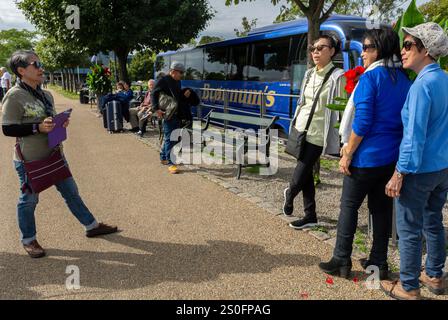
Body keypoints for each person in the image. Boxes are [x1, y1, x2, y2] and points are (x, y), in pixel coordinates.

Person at [1, 50, 118, 259]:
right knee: (29, 200)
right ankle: (28, 239)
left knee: (71, 192)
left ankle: (91, 226)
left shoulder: (45, 94)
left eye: (40, 63)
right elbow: (8, 129)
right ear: (21, 70)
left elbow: (50, 121)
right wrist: (38, 128)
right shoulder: (14, 95)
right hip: (30, 159)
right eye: (35, 64)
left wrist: (59, 124)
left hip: (55, 154)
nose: (40, 68)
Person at [318, 29, 412, 280]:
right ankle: (378, 263)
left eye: (367, 47)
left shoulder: (371, 79)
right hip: (390, 159)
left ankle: (341, 259)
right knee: (381, 211)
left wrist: (347, 152)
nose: (363, 52)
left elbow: (362, 122)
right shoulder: (405, 80)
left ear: (379, 49)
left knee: (349, 207)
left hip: (365, 158)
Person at [381, 22, 448, 300]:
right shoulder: (444, 79)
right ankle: (434, 274)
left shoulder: (422, 85)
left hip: (419, 170)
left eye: (409, 44)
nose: (402, 50)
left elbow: (414, 136)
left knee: (409, 228)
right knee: (433, 221)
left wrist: (400, 172)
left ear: (427, 49)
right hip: (442, 168)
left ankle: (408, 286)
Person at [283, 35, 346, 229]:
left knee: (302, 170)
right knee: (307, 173)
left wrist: (343, 137)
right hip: (301, 128)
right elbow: (303, 101)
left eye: (321, 48)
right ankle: (310, 215)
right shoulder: (309, 73)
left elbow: (342, 107)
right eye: (313, 48)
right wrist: (294, 123)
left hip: (319, 133)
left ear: (332, 51)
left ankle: (290, 192)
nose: (315, 52)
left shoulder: (339, 76)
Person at [151, 61, 191, 174]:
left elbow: (177, 97)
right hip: (167, 113)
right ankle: (171, 162)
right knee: (170, 138)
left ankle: (164, 157)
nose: (181, 75)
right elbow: (154, 93)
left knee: (170, 137)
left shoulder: (177, 81)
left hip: (176, 113)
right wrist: (156, 109)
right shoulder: (163, 80)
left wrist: (184, 95)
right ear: (173, 71)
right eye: (180, 73)